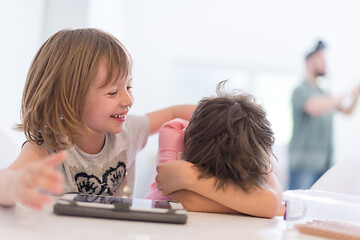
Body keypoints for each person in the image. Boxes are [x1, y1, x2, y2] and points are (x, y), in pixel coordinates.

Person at [0, 28, 195, 209]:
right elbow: (5, 180)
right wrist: (15, 185)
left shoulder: (130, 131)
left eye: (129, 87)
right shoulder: (46, 147)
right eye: (112, 92)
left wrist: (221, 119)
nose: (128, 100)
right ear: (70, 97)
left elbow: (174, 112)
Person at [146, 81, 282, 218]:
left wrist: (188, 175)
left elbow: (271, 204)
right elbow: (185, 201)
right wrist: (254, 207)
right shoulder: (176, 130)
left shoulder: (251, 145)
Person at [288, 40, 360, 190]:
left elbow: (348, 112)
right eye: (321, 59)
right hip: (304, 164)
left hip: (324, 164)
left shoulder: (325, 93)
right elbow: (314, 107)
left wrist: (356, 94)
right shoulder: (300, 90)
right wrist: (347, 92)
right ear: (309, 61)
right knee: (297, 209)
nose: (325, 63)